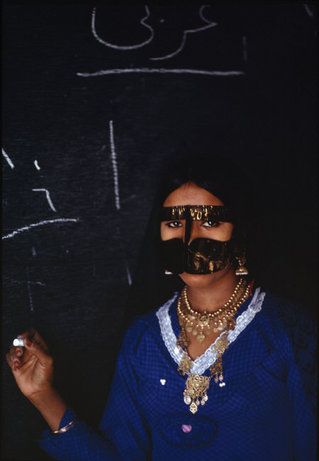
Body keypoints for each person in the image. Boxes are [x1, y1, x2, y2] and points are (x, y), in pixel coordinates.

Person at [6, 152, 316, 461]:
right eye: (173, 222)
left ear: (241, 232)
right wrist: (41, 394)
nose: (189, 239)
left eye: (210, 221)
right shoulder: (144, 339)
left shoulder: (288, 332)